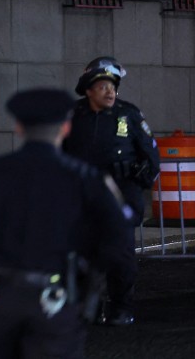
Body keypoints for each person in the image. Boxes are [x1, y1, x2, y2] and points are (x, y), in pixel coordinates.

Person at [0, 88, 134, 358]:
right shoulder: (85, 177)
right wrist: (90, 276)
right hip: (55, 298)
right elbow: (120, 235)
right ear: (66, 128)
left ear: (19, 128)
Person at [61, 57, 160, 326]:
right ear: (89, 90)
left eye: (113, 86)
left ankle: (120, 308)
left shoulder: (129, 114)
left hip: (120, 194)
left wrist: (141, 178)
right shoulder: (72, 116)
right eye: (103, 86)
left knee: (120, 254)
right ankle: (85, 308)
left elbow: (151, 155)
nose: (110, 91)